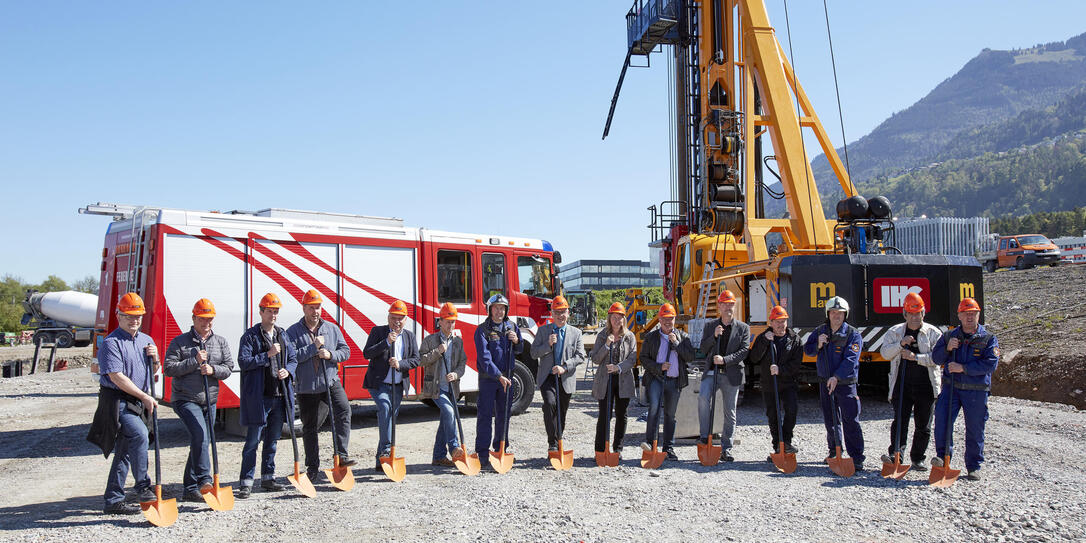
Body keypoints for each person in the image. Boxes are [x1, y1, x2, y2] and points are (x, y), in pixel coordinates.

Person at [87, 292, 159, 514]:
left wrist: (155, 359)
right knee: (139, 434)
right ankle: (143, 487)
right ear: (119, 315)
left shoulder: (147, 340)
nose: (134, 320)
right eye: (129, 316)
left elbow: (153, 371)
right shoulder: (110, 343)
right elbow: (116, 377)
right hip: (118, 401)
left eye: (138, 316)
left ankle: (113, 500)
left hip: (138, 399)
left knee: (125, 450)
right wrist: (145, 396)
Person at [164, 298, 235, 502]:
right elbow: (169, 368)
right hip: (185, 399)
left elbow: (228, 368)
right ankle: (205, 480)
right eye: (203, 319)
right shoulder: (180, 341)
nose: (207, 323)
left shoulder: (220, 341)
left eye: (210, 319)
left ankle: (189, 487)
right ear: (194, 318)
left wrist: (213, 370)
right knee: (201, 436)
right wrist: (193, 361)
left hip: (209, 400)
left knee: (200, 441)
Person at [284, 289, 353, 481]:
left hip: (329, 381)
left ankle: (342, 456)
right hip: (307, 386)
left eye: (318, 307)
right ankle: (312, 466)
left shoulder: (331, 328)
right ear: (304, 308)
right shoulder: (292, 332)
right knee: (310, 427)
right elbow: (291, 358)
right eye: (312, 308)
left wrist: (331, 354)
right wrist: (312, 348)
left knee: (344, 411)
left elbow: (345, 351)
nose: (316, 311)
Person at [236, 293, 298, 498]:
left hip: (280, 395)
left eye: (275, 311)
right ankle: (246, 482)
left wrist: (288, 370)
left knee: (272, 440)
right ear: (261, 312)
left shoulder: (282, 334)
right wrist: (268, 355)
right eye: (269, 311)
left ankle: (268, 478)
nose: (273, 315)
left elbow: (294, 358)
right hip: (259, 397)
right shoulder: (250, 336)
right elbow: (244, 361)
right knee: (253, 440)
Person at [932, 297, 1000, 481]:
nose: (969, 317)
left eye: (973, 313)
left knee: (975, 428)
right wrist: (947, 349)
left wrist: (964, 368)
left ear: (978, 314)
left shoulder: (988, 339)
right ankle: (943, 460)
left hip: (976, 391)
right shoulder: (948, 336)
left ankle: (973, 466)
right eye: (966, 313)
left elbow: (990, 364)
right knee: (943, 423)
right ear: (959, 316)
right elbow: (936, 359)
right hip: (951, 389)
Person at [878, 292, 942, 471]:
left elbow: (939, 358)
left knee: (923, 424)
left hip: (926, 386)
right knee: (900, 421)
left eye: (918, 313)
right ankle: (896, 454)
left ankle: (918, 458)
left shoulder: (933, 333)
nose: (914, 317)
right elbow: (885, 353)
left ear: (923, 313)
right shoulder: (895, 332)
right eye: (911, 314)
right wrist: (900, 344)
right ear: (905, 314)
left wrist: (916, 357)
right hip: (902, 384)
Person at [803, 295, 865, 472]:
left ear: (845, 315)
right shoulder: (821, 331)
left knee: (850, 420)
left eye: (840, 313)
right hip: (825, 383)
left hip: (845, 384)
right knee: (831, 420)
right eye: (833, 312)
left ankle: (856, 457)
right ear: (828, 314)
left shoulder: (853, 334)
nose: (836, 316)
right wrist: (818, 346)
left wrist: (836, 377)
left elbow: (851, 360)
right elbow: (807, 349)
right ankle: (834, 451)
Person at [362, 300, 421, 472]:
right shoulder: (378, 331)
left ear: (406, 319)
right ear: (388, 317)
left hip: (397, 385)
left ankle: (381, 458)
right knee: (385, 409)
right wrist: (386, 342)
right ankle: (387, 451)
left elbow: (416, 360)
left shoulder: (409, 335)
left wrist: (400, 364)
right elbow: (367, 353)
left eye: (400, 319)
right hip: (379, 384)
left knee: (389, 420)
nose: (396, 322)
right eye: (393, 318)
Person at [696, 289, 750, 462]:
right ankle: (705, 436)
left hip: (731, 374)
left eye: (731, 304)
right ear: (719, 306)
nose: (728, 307)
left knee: (730, 411)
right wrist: (714, 337)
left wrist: (725, 360)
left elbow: (743, 352)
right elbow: (703, 349)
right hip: (712, 372)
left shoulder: (743, 328)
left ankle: (727, 447)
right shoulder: (710, 326)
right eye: (725, 304)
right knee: (703, 398)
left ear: (734, 306)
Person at [638, 303, 695, 461]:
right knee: (654, 409)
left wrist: (676, 344)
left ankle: (668, 447)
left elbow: (690, 357)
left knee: (670, 414)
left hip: (675, 381)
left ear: (675, 319)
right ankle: (651, 444)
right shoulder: (651, 337)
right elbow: (643, 358)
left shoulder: (683, 337)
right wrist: (658, 367)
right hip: (656, 379)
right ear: (659, 319)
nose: (668, 322)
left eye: (670, 319)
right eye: (664, 319)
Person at [530, 295, 586, 453]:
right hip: (547, 377)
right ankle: (552, 443)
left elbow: (580, 355)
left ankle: (558, 439)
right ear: (552, 315)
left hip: (565, 377)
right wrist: (548, 345)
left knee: (562, 411)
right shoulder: (543, 331)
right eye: (557, 312)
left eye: (563, 312)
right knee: (549, 403)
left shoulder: (576, 333)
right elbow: (534, 353)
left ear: (568, 313)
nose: (560, 315)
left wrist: (565, 367)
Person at [747, 305, 803, 461]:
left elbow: (797, 363)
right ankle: (778, 445)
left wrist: (781, 370)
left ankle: (786, 441)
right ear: (771, 322)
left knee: (791, 411)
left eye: (783, 321)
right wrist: (765, 342)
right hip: (769, 384)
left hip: (788, 383)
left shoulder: (794, 339)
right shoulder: (763, 337)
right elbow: (754, 358)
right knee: (773, 415)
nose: (781, 325)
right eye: (777, 321)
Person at [474, 294, 523, 464]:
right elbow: (484, 359)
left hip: (507, 379)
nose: (499, 311)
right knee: (485, 416)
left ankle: (501, 449)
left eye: (502, 308)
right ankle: (482, 453)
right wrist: (498, 376)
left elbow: (520, 349)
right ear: (490, 310)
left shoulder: (512, 327)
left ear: (506, 310)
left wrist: (516, 340)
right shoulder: (482, 330)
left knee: (504, 415)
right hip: (489, 379)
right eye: (496, 308)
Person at [418, 302, 467, 467]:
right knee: (448, 411)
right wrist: (437, 352)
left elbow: (462, 363)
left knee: (445, 420)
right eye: (447, 321)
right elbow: (420, 360)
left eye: (453, 322)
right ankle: (454, 448)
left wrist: (456, 374)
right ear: (440, 322)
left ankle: (438, 456)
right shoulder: (430, 340)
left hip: (452, 388)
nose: (451, 325)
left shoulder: (458, 342)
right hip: (436, 388)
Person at [589, 302, 636, 457]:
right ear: (609, 319)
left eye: (620, 318)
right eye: (614, 318)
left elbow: (632, 359)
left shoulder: (629, 337)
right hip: (605, 381)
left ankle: (618, 449)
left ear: (624, 319)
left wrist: (619, 367)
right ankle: (600, 449)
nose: (617, 321)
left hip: (623, 380)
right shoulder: (602, 335)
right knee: (604, 415)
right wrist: (607, 345)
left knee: (622, 415)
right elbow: (595, 358)